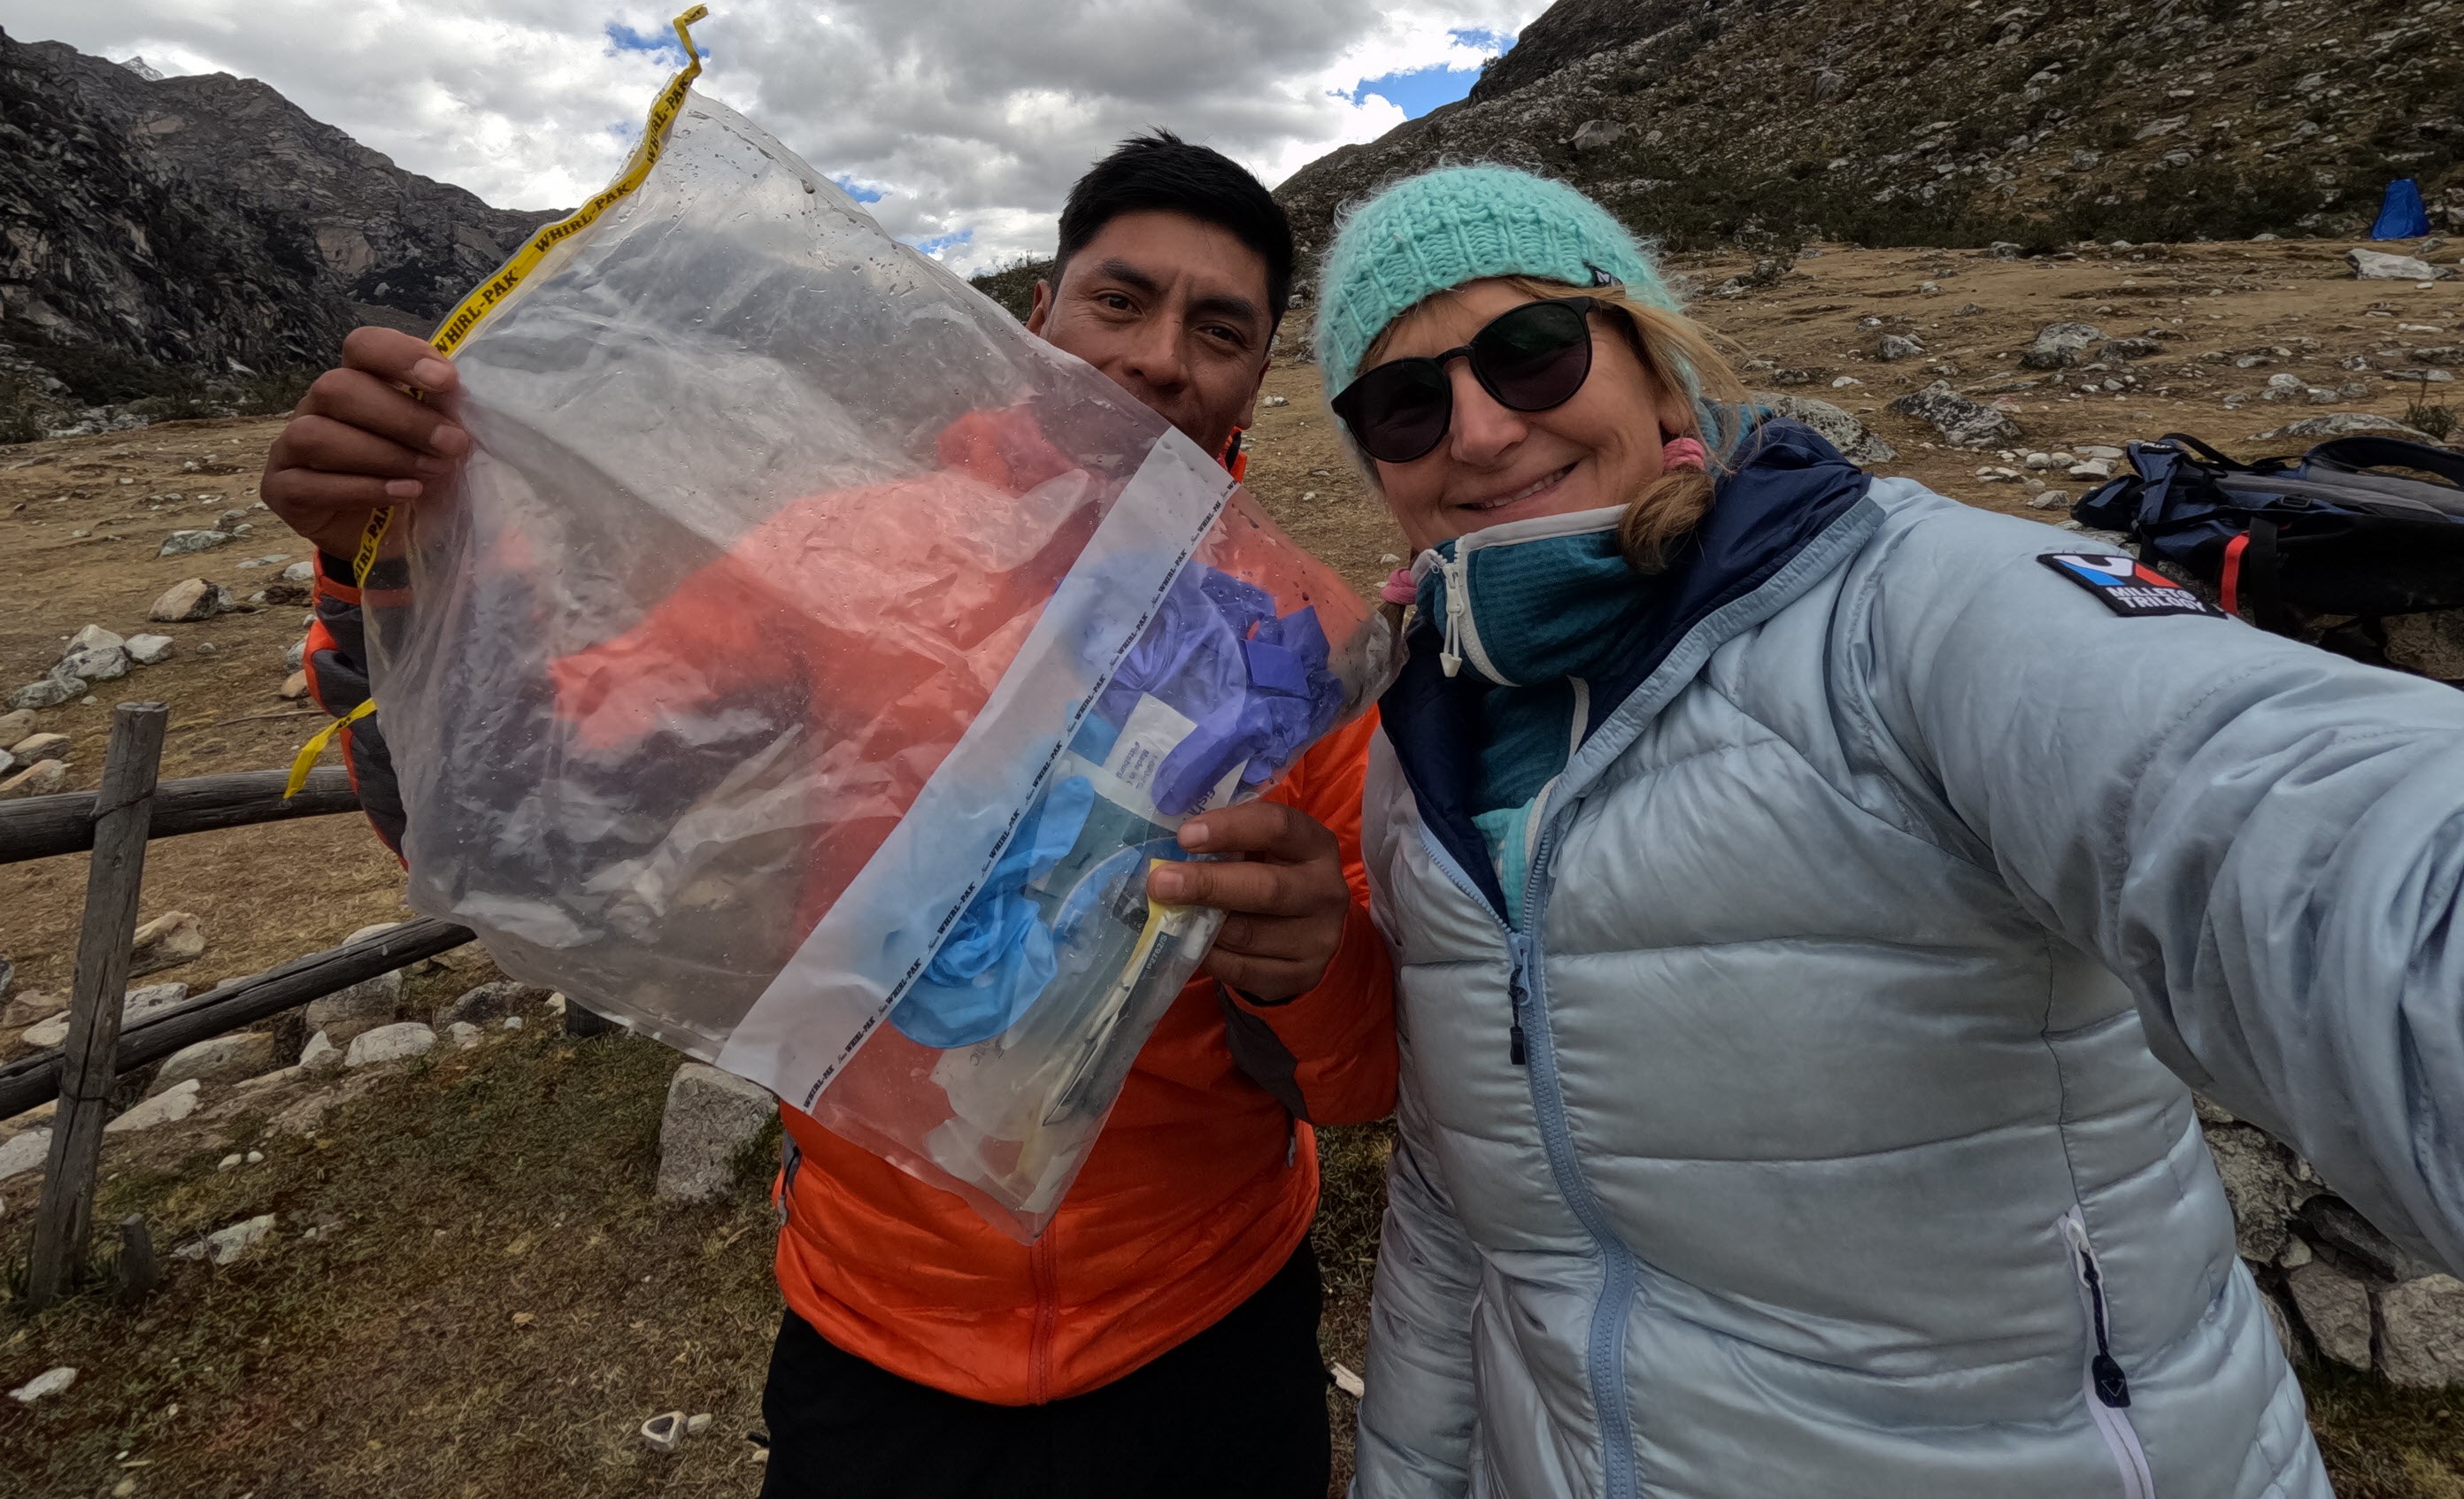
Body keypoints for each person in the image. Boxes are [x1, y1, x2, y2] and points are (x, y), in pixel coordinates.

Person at [261, 131, 1393, 1499]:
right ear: (1038, 318)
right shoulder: (838, 553)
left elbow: (1360, 1080)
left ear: (1257, 374)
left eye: (1219, 330)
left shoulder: (1298, 653)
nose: (1160, 358)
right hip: (880, 1332)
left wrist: (1313, 967)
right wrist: (386, 559)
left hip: (1206, 1328)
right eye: (1120, 300)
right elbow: (528, 819)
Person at [1313, 163, 2464, 1499]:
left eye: (1532, 351)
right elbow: (1458, 1213)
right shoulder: (1421, 750)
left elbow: (2287, 811)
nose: (1477, 431)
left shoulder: (1902, 612)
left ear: (1659, 369)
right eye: (1404, 404)